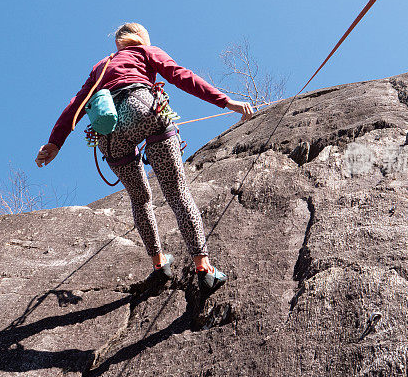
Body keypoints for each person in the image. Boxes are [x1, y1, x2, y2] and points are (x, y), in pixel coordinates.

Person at [36, 23, 253, 292]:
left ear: (118, 42)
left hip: (107, 132)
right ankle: (203, 268)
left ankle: (160, 264)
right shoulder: (145, 51)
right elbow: (179, 75)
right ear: (141, 38)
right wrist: (225, 101)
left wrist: (54, 143)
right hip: (141, 107)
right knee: (176, 193)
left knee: (140, 199)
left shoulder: (100, 67)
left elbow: (77, 105)